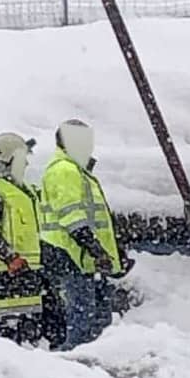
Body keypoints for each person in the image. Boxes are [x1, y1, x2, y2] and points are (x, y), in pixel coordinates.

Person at [38, 118, 131, 351]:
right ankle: (74, 367)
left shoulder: (75, 170)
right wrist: (96, 249)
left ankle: (84, 367)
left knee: (92, 320)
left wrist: (111, 253)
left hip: (79, 257)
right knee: (83, 323)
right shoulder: (65, 171)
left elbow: (90, 218)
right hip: (72, 256)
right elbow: (73, 218)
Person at [0, 132, 45, 345]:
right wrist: (9, 257)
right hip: (7, 277)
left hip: (30, 275)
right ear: (8, 159)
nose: (26, 165)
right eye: (23, 159)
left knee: (31, 337)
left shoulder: (28, 193)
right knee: (10, 338)